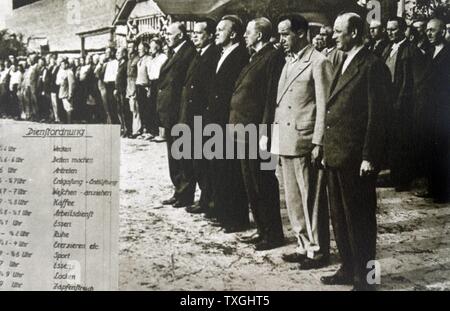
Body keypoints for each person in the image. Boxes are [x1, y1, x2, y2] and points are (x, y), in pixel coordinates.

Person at [320, 13, 391, 291]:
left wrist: (369, 156)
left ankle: (368, 280)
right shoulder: (343, 59)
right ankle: (349, 269)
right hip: (337, 154)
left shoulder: (373, 66)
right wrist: (327, 149)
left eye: (339, 31)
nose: (333, 36)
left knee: (361, 221)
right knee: (340, 217)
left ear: (355, 32)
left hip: (357, 159)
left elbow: (379, 116)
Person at [271, 13, 333, 266]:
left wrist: (319, 141)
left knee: (311, 199)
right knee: (293, 199)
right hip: (286, 139)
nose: (281, 39)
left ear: (300, 33)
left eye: (285, 34)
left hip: (305, 140)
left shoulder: (318, 62)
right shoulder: (289, 62)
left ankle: (318, 250)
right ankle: (303, 244)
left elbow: (325, 105)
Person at [227, 17, 286, 248]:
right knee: (251, 183)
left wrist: (265, 132)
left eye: (248, 32)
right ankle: (262, 229)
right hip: (244, 131)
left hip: (257, 132)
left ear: (259, 35)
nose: (244, 36)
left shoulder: (272, 57)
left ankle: (273, 234)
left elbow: (271, 99)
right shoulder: (257, 56)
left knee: (263, 183)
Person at [204, 15, 249, 228]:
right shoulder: (222, 53)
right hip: (216, 120)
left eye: (221, 29)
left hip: (228, 121)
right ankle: (223, 214)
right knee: (220, 169)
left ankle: (236, 218)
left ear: (233, 34)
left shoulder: (241, 55)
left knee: (231, 171)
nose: (216, 32)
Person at [178, 19, 220, 215]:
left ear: (210, 35)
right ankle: (205, 199)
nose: (194, 35)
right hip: (192, 116)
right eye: (193, 32)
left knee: (205, 161)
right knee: (198, 161)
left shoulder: (213, 55)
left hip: (203, 118)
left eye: (199, 32)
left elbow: (210, 89)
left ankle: (209, 201)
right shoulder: (198, 54)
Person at [157, 22, 198, 208]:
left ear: (180, 35)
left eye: (169, 33)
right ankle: (178, 190)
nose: (166, 35)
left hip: (179, 111)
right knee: (174, 154)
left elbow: (184, 86)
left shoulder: (188, 52)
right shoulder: (175, 52)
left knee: (182, 154)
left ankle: (185, 193)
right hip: (170, 112)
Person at [383, 17, 423, 192]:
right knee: (392, 141)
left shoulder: (410, 50)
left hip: (402, 104)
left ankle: (403, 178)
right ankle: (394, 174)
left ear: (402, 30)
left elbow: (410, 81)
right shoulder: (387, 49)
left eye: (394, 29)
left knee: (403, 141)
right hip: (388, 101)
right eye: (388, 29)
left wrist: (401, 101)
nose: (390, 32)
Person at [417, 18, 450, 204]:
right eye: (427, 30)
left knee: (443, 150)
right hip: (429, 109)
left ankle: (443, 191)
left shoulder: (448, 53)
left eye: (433, 30)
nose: (428, 33)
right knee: (431, 149)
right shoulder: (428, 52)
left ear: (443, 31)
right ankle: (433, 188)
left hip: (443, 110)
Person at [148, 38, 168, 142]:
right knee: (153, 107)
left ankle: (163, 134)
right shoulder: (153, 59)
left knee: (160, 107)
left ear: (158, 46)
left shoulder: (163, 57)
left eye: (153, 46)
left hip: (159, 82)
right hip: (152, 83)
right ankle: (154, 131)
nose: (151, 49)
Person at [135, 42, 152, 139]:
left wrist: (149, 87)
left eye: (140, 49)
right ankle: (143, 130)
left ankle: (148, 131)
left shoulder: (148, 59)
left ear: (145, 49)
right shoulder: (140, 60)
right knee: (141, 110)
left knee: (146, 110)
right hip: (139, 86)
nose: (138, 50)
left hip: (145, 87)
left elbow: (150, 73)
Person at [126, 41, 140, 138]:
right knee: (132, 108)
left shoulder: (137, 59)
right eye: (128, 47)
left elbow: (137, 73)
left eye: (131, 47)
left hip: (134, 83)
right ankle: (133, 129)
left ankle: (137, 130)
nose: (129, 49)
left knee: (136, 108)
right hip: (129, 84)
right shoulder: (129, 59)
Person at [114, 47, 129, 137]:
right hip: (119, 90)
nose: (116, 54)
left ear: (124, 54)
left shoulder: (126, 64)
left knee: (124, 110)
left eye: (119, 52)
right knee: (119, 110)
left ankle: (127, 130)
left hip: (123, 91)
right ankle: (123, 128)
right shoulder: (120, 64)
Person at [103, 47, 119, 124]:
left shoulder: (116, 63)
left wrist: (115, 88)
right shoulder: (108, 63)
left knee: (113, 107)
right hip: (107, 86)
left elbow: (116, 76)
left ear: (112, 53)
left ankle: (117, 125)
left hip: (112, 85)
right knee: (109, 106)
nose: (106, 54)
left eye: (108, 52)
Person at [57, 59, 76, 124]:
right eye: (61, 64)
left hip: (67, 93)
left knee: (69, 109)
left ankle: (69, 122)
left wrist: (70, 94)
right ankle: (67, 122)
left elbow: (72, 84)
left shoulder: (69, 72)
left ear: (66, 64)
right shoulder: (63, 72)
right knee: (66, 108)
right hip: (63, 93)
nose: (61, 66)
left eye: (63, 64)